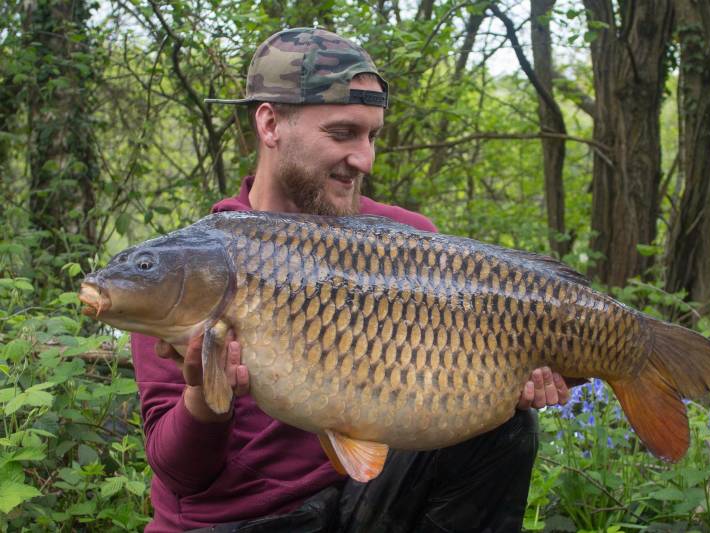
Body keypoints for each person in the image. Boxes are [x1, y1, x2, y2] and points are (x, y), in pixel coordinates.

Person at [131, 27, 572, 533]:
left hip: (365, 503)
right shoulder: (190, 271)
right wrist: (204, 403)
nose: (364, 159)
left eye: (372, 136)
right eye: (342, 134)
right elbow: (180, 476)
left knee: (507, 429)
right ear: (271, 124)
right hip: (241, 521)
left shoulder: (409, 243)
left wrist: (503, 383)